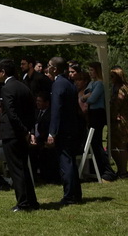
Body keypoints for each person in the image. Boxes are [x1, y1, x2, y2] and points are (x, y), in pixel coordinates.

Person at [0, 58, 39, 212]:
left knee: (16, 169)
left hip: (13, 133)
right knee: (24, 168)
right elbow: (31, 112)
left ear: (3, 72)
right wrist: (29, 131)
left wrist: (24, 130)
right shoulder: (23, 87)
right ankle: (32, 200)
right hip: (22, 133)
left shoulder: (7, 88)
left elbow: (12, 114)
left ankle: (23, 203)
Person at [47, 57, 83, 206]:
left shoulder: (58, 84)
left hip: (63, 130)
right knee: (71, 162)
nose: (47, 68)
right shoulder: (69, 83)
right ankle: (76, 193)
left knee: (65, 163)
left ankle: (69, 196)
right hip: (72, 128)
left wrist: (52, 132)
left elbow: (56, 109)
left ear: (55, 69)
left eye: (49, 66)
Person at [84, 62, 116, 181]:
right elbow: (85, 95)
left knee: (96, 142)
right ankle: (96, 169)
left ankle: (107, 171)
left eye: (92, 70)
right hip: (91, 113)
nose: (90, 72)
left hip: (98, 113)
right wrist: (87, 96)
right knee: (92, 142)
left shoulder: (100, 84)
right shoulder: (92, 83)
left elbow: (91, 98)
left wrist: (87, 96)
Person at [108, 66, 128, 179]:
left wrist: (113, 113)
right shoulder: (118, 87)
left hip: (120, 120)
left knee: (121, 144)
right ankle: (120, 170)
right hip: (117, 118)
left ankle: (123, 171)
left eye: (112, 76)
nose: (111, 79)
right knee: (113, 145)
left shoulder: (122, 89)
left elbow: (118, 103)